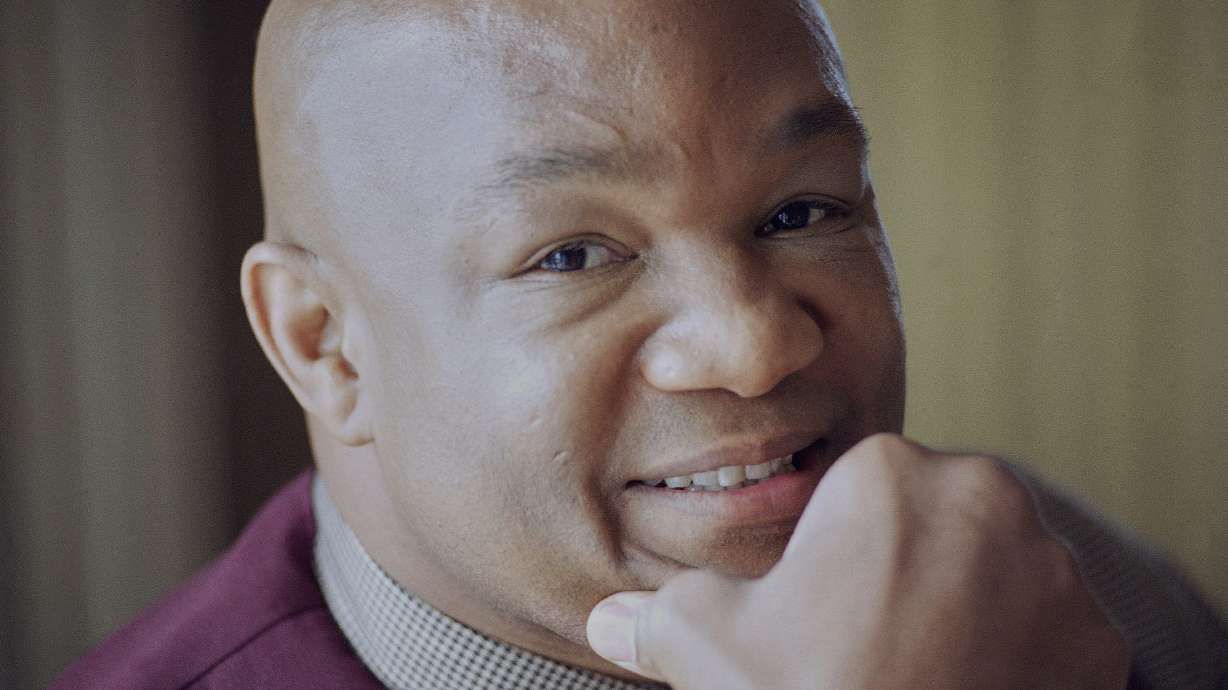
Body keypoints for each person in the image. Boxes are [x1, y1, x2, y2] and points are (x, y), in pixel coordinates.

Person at [53, 1, 1226, 688]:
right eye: (572, 255)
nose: (755, 345)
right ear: (326, 346)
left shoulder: (1065, 585)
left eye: (803, 211)